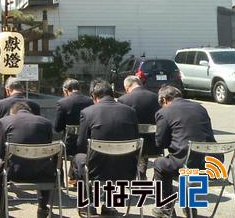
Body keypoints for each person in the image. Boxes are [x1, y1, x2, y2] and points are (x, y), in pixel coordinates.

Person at [73, 79, 139, 216]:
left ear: (94, 97)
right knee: (115, 158)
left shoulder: (88, 112)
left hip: (96, 167)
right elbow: (135, 140)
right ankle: (109, 204)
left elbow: (80, 144)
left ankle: (87, 204)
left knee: (78, 159)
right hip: (126, 167)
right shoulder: (130, 112)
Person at [152, 86, 217, 218]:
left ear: (164, 99)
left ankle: (166, 208)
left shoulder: (164, 113)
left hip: (186, 164)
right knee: (187, 163)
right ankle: (190, 208)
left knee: (160, 164)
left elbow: (160, 143)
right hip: (212, 164)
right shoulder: (200, 108)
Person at [0, 102, 56, 218]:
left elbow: (2, 153)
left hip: (14, 172)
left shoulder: (5, 121)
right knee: (46, 163)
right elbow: (47, 148)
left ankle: (0, 208)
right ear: (29, 111)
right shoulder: (46, 123)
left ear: (12, 112)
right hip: (42, 173)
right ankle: (43, 207)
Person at [118, 75, 162, 179]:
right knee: (145, 137)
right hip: (154, 145)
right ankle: (141, 171)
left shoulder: (123, 100)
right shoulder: (156, 97)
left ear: (127, 87)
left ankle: (132, 173)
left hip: (131, 144)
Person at [0, 77, 41, 162]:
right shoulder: (35, 105)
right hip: (33, 145)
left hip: (8, 144)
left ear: (7, 90)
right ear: (22, 89)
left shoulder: (1, 104)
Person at [53, 78, 93, 185]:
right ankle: (75, 177)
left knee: (55, 153)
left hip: (68, 145)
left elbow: (57, 128)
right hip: (86, 144)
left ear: (66, 90)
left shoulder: (62, 103)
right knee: (79, 154)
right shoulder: (89, 101)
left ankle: (59, 182)